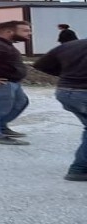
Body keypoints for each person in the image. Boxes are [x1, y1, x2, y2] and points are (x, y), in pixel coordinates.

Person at [32, 38, 87, 180]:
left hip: (65, 91)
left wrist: (69, 75)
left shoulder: (72, 45)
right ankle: (79, 169)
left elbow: (41, 64)